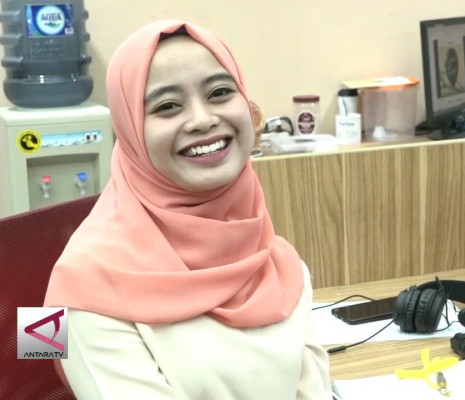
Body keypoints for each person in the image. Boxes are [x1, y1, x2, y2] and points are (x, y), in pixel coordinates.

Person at [44, 19, 331, 400]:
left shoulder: (279, 261)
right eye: (167, 106)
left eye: (220, 92)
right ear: (129, 130)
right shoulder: (82, 288)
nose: (202, 120)